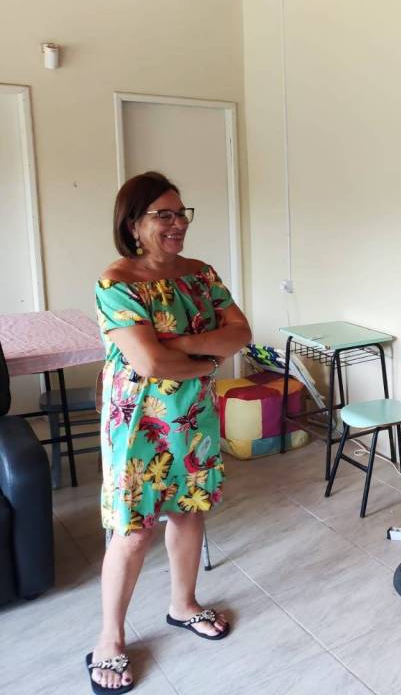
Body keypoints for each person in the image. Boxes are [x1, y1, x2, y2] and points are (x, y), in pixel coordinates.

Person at [88, 172, 252, 694]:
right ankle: (109, 639)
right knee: (133, 529)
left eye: (181, 213)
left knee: (189, 508)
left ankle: (183, 604)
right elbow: (149, 363)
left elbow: (241, 333)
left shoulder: (200, 274)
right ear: (133, 224)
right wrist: (204, 358)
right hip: (138, 422)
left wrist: (177, 343)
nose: (178, 223)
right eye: (164, 215)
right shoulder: (116, 283)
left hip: (193, 416)